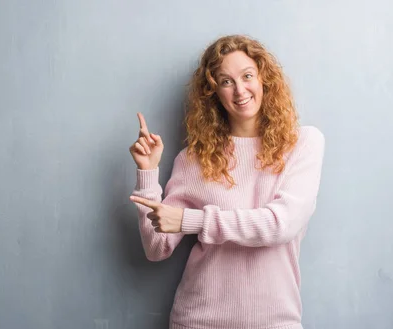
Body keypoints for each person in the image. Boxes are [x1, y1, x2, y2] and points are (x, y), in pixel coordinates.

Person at [128, 35, 325, 329]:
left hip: (275, 321)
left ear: (264, 80)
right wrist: (148, 173)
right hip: (198, 320)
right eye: (226, 81)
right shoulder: (194, 159)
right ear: (213, 92)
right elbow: (157, 248)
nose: (240, 90)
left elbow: (279, 225)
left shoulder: (304, 143)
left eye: (247, 76)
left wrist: (190, 220)